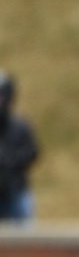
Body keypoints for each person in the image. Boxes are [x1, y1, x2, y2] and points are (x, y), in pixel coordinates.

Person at [0, 70, 39, 224]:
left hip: (16, 191)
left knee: (25, 238)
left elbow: (33, 152)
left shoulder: (20, 127)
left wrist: (12, 160)